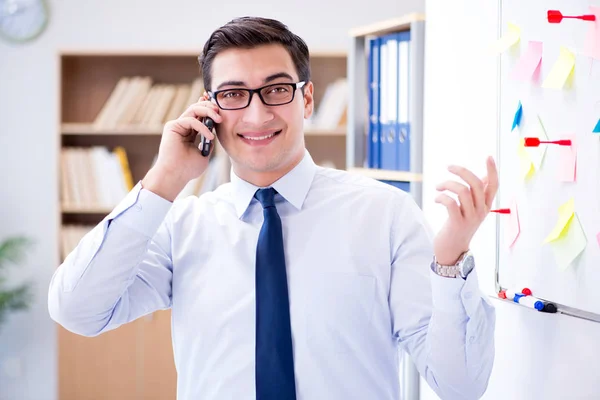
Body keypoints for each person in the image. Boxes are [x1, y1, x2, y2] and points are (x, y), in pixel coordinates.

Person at [48, 16, 497, 400]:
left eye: (277, 89)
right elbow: (77, 310)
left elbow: (458, 385)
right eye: (234, 94)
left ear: (306, 98)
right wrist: (165, 180)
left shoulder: (386, 214)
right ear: (210, 109)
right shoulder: (182, 225)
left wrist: (451, 261)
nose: (257, 115)